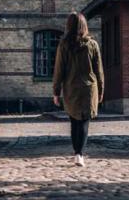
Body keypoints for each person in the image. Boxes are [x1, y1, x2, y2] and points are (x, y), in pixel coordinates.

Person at [52, 12, 104, 167]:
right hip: (89, 89)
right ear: (84, 26)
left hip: (71, 89)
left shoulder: (64, 45)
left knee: (74, 121)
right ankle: (80, 153)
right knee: (84, 123)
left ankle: (77, 153)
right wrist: (101, 90)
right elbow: (99, 70)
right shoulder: (92, 45)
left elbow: (59, 70)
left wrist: (56, 91)